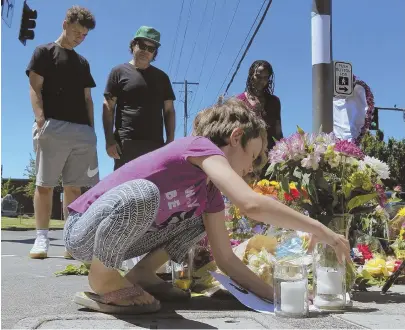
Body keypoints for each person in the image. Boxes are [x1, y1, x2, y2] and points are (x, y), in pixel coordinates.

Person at [63, 98, 350, 314]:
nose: (252, 167)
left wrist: (276, 293)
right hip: (85, 231)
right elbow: (249, 204)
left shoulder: (208, 192)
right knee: (144, 193)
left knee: (199, 219)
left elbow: (225, 258)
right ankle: (104, 278)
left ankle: (142, 274)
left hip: (125, 242)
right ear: (236, 137)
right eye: (253, 155)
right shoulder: (199, 146)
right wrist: (321, 229)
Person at [26, 6, 99, 259]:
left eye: (84, 35)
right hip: (53, 126)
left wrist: (92, 130)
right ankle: (41, 239)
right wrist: (40, 120)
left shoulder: (82, 62)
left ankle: (71, 242)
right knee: (45, 185)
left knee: (74, 188)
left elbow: (88, 98)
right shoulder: (44, 52)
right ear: (65, 24)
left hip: (82, 131)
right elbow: (35, 88)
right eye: (77, 31)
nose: (80, 37)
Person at [103, 26, 176, 170]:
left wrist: (170, 141)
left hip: (155, 144)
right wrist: (109, 140)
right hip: (126, 143)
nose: (146, 51)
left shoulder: (162, 78)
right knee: (125, 189)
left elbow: (169, 111)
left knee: (153, 189)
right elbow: (108, 107)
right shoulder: (118, 72)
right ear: (133, 45)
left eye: (151, 49)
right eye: (142, 46)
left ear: (154, 53)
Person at [236, 60, 283, 161]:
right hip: (247, 157)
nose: (261, 81)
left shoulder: (274, 101)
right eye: (258, 76)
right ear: (251, 75)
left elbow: (278, 132)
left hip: (270, 157)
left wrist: (282, 153)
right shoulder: (239, 101)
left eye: (265, 77)